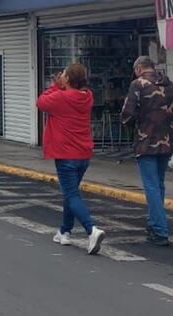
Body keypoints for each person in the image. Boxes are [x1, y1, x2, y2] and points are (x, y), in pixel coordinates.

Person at [120, 55, 173, 247]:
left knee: (151, 186)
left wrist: (133, 125)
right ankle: (154, 224)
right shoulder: (171, 86)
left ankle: (160, 230)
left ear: (138, 69)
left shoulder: (138, 85)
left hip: (146, 142)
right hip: (167, 142)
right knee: (158, 184)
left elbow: (127, 115)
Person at [37, 63, 105, 255]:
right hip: (83, 154)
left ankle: (91, 230)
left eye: (64, 74)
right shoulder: (87, 96)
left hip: (66, 154)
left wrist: (55, 86)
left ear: (67, 79)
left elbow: (41, 102)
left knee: (72, 195)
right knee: (70, 193)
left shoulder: (60, 97)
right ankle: (64, 231)